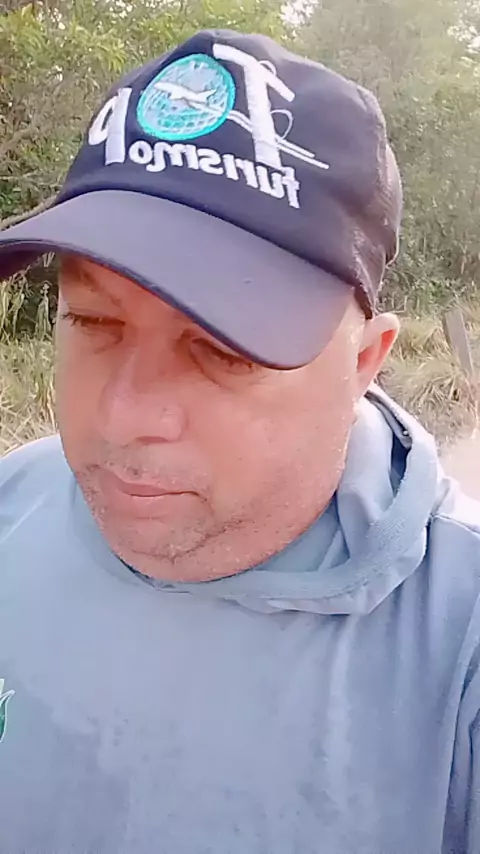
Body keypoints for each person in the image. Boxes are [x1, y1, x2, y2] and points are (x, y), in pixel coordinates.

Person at [0, 27, 479, 854]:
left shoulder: (459, 652)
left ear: (364, 362)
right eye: (94, 321)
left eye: (223, 350)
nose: (123, 414)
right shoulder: (13, 505)